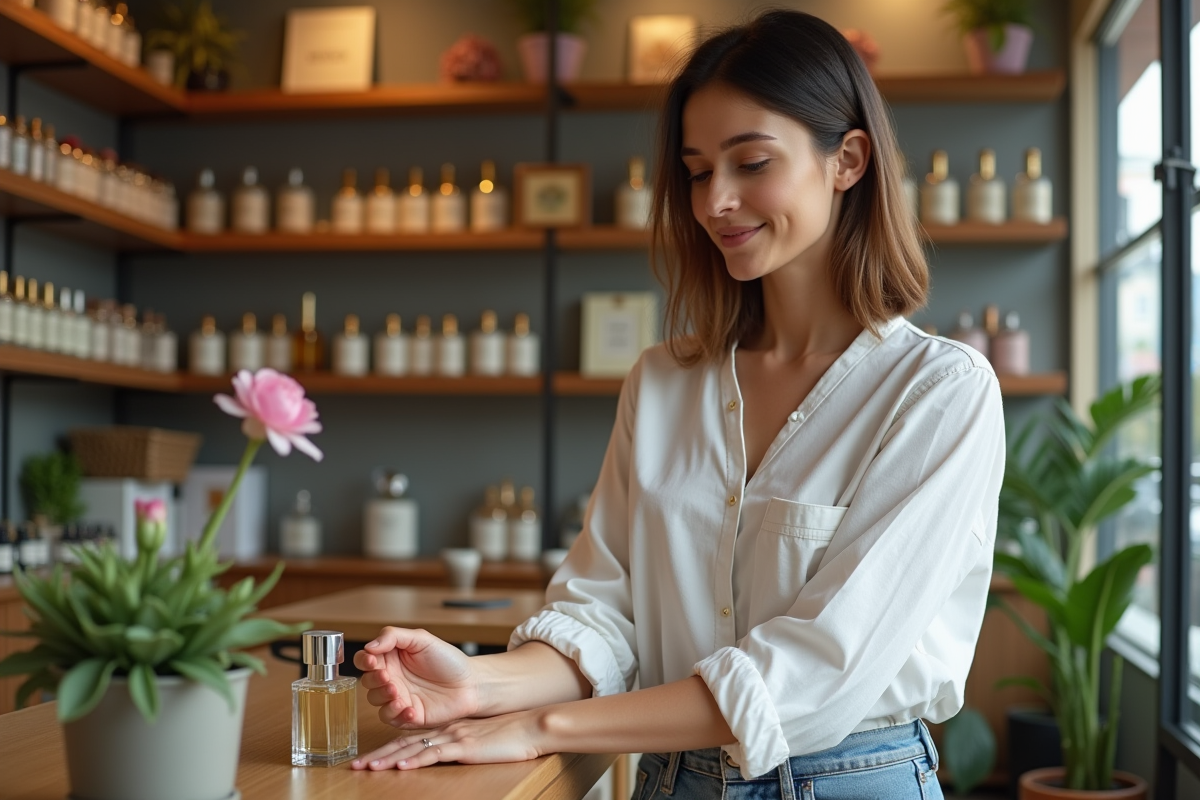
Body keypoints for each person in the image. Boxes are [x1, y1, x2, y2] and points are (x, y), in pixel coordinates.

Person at [349, 9, 1005, 799]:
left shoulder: (938, 393)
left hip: (855, 780)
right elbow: (604, 612)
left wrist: (537, 726)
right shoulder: (663, 382)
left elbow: (821, 670)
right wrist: (479, 688)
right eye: (696, 171)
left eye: (751, 162)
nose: (716, 201)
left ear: (849, 160)